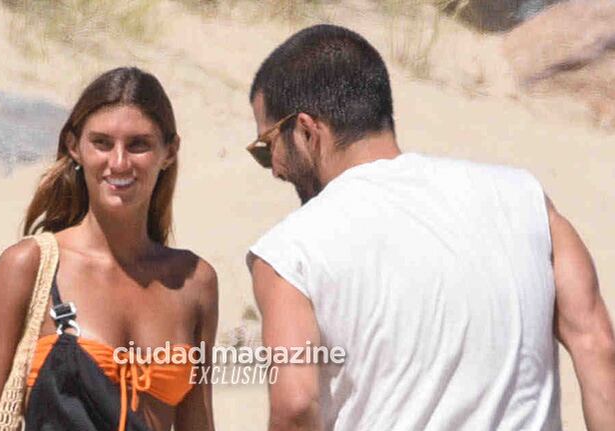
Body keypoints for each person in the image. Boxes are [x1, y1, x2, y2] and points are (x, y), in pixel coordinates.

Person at [245, 24, 615, 431]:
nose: (275, 168)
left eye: (267, 146)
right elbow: (596, 344)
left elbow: (296, 404)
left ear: (307, 131)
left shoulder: (288, 252)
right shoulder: (526, 200)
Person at [0, 67, 218, 431]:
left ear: (169, 152)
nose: (119, 162)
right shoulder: (31, 265)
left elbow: (199, 423)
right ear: (73, 146)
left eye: (139, 144)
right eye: (102, 143)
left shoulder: (194, 281)